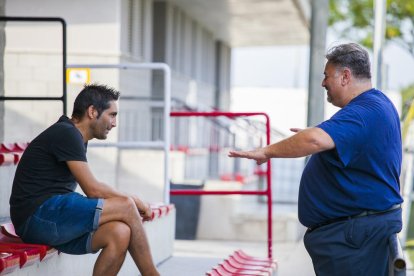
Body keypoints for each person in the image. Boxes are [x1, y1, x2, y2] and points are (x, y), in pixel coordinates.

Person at [229, 43, 403, 275]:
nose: (323, 83)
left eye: (326, 76)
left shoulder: (364, 111)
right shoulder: (375, 105)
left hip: (354, 238)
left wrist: (267, 151)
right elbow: (334, 140)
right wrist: (325, 135)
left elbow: (313, 141)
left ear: (345, 76)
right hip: (353, 234)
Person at [9, 84, 160, 276]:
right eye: (112, 115)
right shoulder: (66, 133)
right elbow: (93, 189)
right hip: (38, 216)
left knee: (119, 233)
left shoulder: (76, 136)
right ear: (92, 111)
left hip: (48, 218)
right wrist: (136, 201)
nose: (114, 123)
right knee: (127, 206)